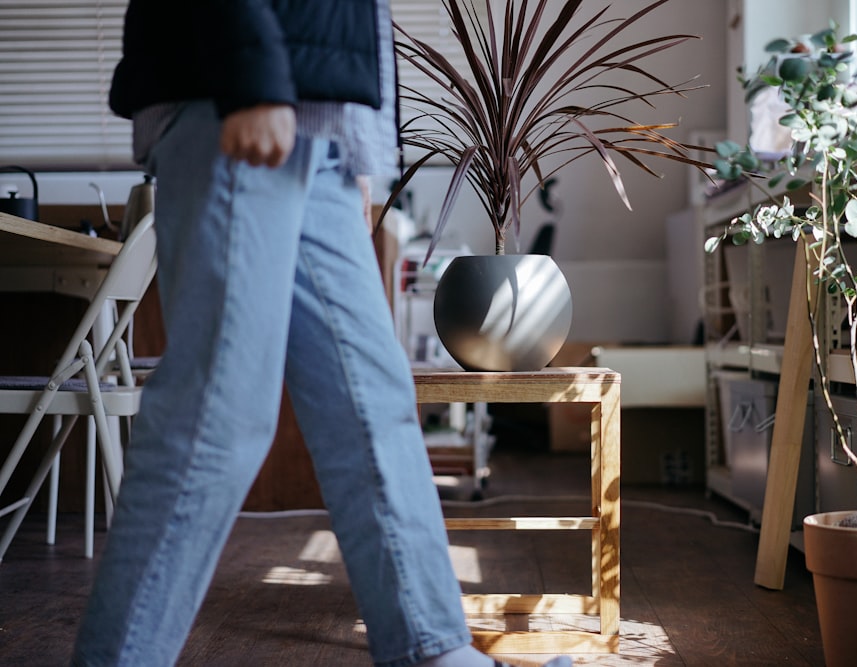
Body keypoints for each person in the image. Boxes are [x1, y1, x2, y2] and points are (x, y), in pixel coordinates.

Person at [71, 2, 572, 667]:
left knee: (371, 405)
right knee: (216, 414)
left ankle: (435, 649)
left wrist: (363, 143)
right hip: (240, 91)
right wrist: (251, 73)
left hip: (319, 119)